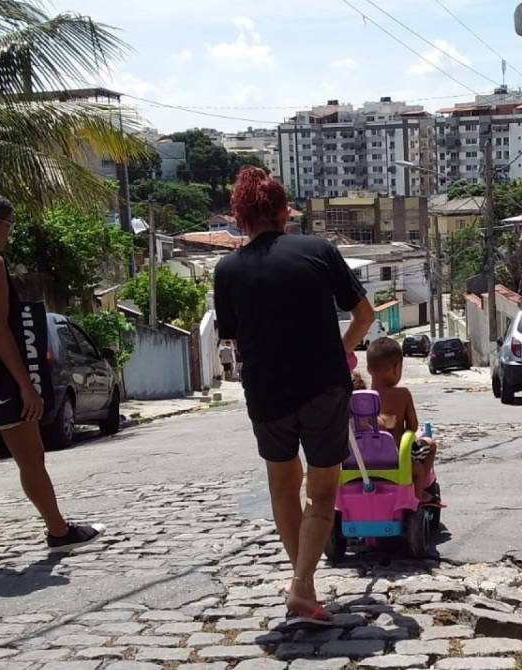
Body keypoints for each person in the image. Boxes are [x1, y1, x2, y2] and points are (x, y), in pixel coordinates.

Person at [214, 167, 374, 625]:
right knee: (321, 493)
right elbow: (363, 317)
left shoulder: (227, 270)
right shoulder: (319, 250)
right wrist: (337, 351)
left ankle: (301, 579)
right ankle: (302, 585)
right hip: (324, 386)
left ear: (240, 216)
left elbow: (237, 341)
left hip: (265, 392)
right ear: (285, 211)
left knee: (282, 486)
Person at [0, 190, 104, 574]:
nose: (9, 234)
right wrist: (25, 384)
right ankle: (59, 531)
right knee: (30, 454)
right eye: (6, 226)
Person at [363, 338, 438, 502]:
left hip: (364, 459)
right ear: (396, 368)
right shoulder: (403, 394)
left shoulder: (362, 398)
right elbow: (412, 426)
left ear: (369, 369)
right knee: (430, 447)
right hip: (395, 459)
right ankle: (418, 495)